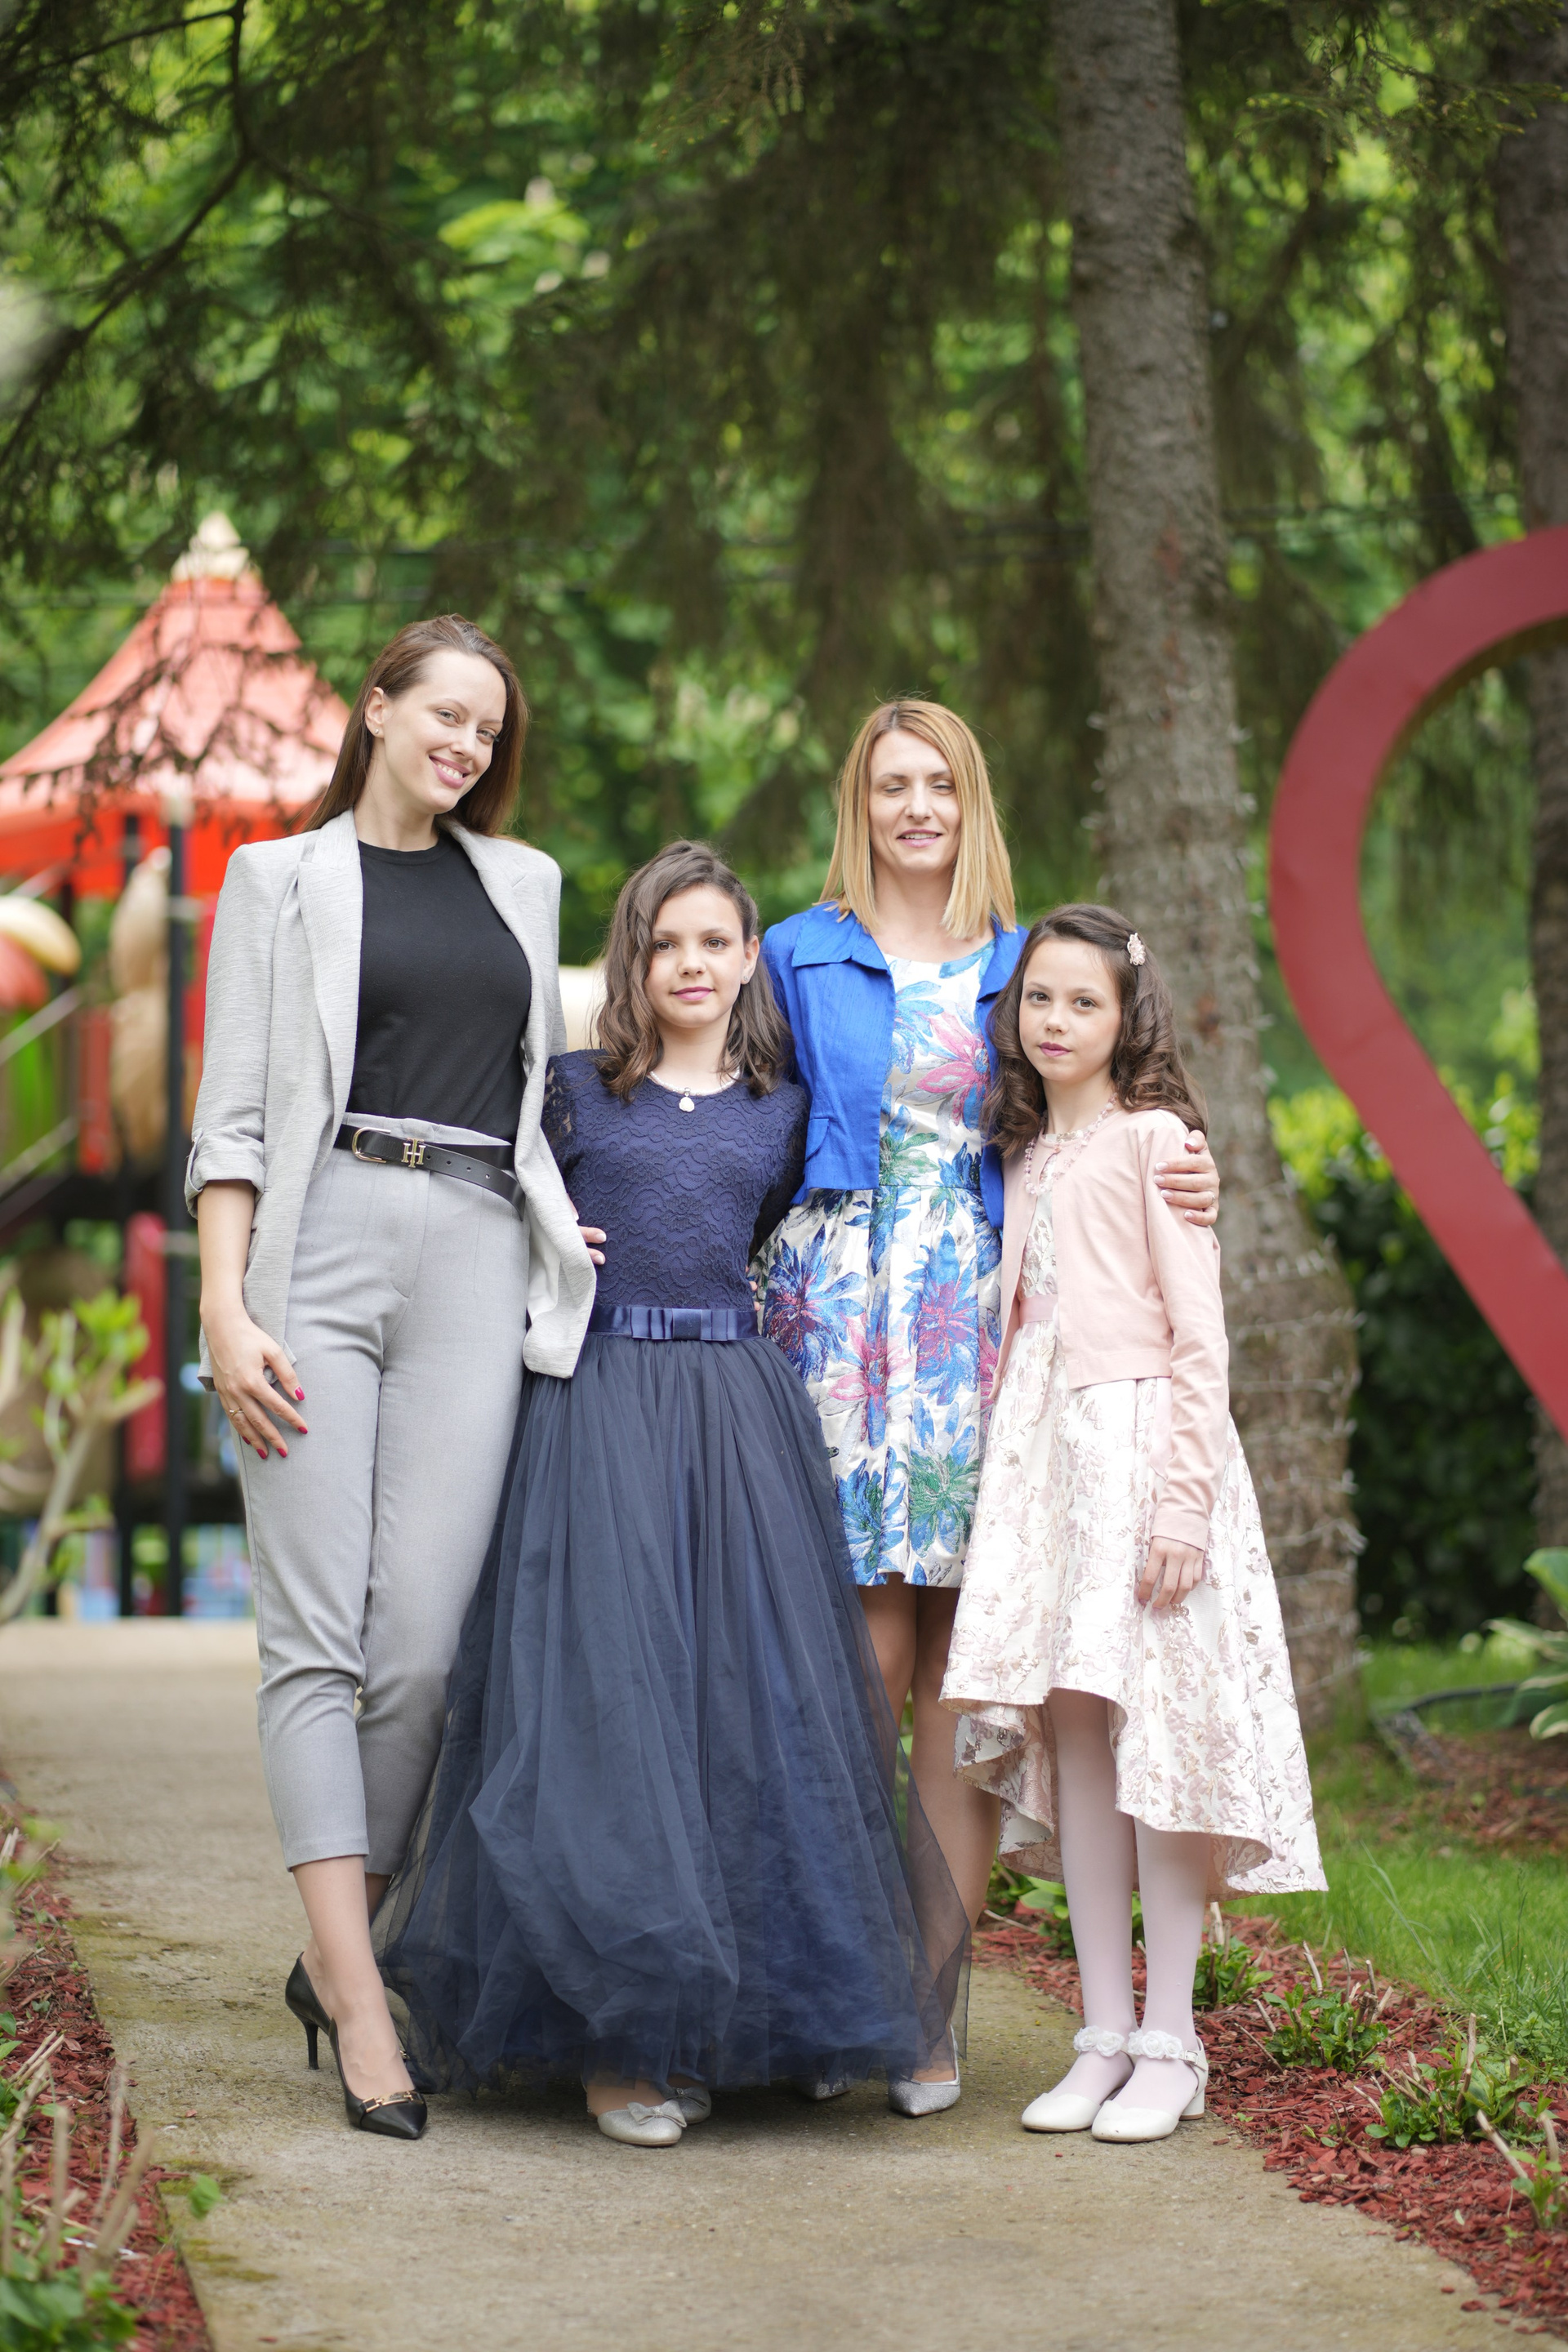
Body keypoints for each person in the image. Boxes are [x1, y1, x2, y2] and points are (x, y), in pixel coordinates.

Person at [375, 841, 969, 2146]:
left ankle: (773, 2019)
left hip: (735, 1417)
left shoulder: (785, 1109)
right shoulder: (572, 1095)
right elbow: (487, 1210)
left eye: (714, 942)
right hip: (598, 1409)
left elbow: (827, 1225)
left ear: (751, 958)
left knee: (748, 1708)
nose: (690, 965)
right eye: (665, 944)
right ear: (631, 961)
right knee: (612, 1704)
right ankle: (620, 2046)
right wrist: (539, 1251)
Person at [757, 700, 1219, 2104]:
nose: (916, 808)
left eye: (940, 784)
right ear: (860, 802)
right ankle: (831, 1987)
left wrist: (1191, 1161)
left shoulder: (1026, 966)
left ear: (972, 805)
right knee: (858, 1664)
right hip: (838, 1318)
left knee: (967, 1676)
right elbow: (736, 1116)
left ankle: (925, 2012)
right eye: (891, 784)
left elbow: (1112, 1109)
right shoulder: (796, 952)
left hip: (985, 1321)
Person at [190, 616, 595, 2140]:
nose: (467, 745)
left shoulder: (524, 883)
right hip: (320, 1248)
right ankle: (362, 2001)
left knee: (421, 1645)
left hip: (477, 1249)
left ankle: (332, 1940)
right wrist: (225, 1309)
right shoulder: (277, 880)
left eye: (489, 729)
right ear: (376, 709)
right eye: (445, 714)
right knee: (315, 1637)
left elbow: (545, 1091)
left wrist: (568, 1211)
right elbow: (233, 1121)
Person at [941, 905, 1324, 2145]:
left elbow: (1200, 1339)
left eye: (1084, 1002)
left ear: (1127, 1017)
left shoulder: (1157, 1141)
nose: (1056, 1021)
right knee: (1079, 1736)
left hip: (1141, 1457)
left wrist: (1184, 1503)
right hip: (1045, 1468)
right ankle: (1102, 2033)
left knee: (1158, 1743)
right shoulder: (1020, 1154)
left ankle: (1173, 2039)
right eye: (1038, 999)